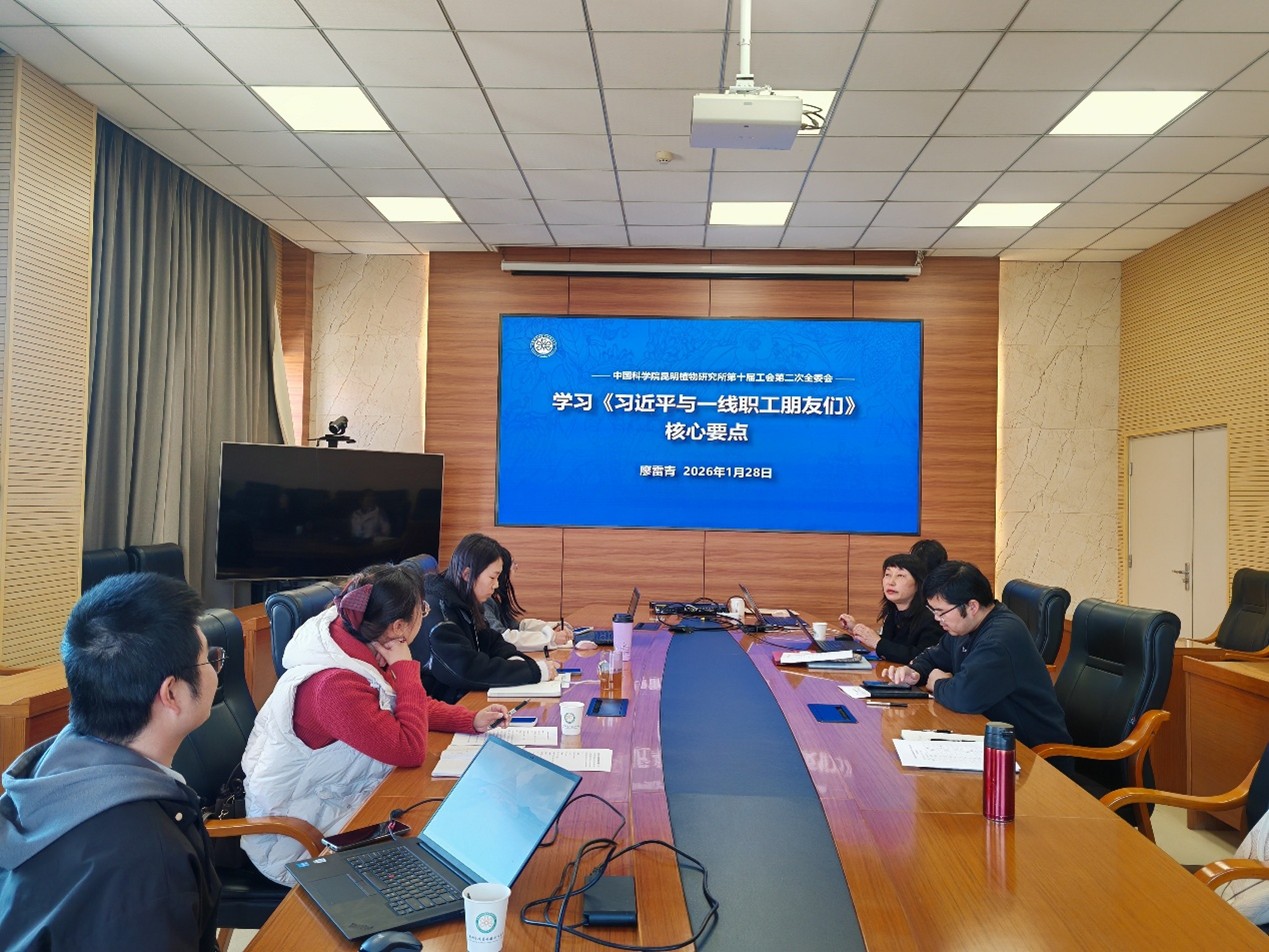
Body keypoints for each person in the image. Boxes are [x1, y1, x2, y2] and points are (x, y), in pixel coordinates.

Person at [242, 563, 510, 884]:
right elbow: (409, 749)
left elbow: (399, 704)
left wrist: (470, 719)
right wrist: (406, 669)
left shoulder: (354, 641)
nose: (424, 618)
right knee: (448, 840)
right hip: (298, 838)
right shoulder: (335, 685)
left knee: (450, 814)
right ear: (398, 627)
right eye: (422, 611)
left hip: (341, 802)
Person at [0, 573, 220, 952]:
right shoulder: (148, 858)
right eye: (210, 659)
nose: (215, 669)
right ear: (171, 693)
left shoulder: (52, 767)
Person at [879, 560, 1071, 750]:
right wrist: (914, 672)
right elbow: (933, 656)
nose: (937, 619)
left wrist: (937, 683)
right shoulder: (965, 626)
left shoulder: (999, 638)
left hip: (1031, 752)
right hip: (990, 735)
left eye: (941, 612)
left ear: (972, 606)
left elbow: (964, 696)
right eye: (933, 611)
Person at [412, 533, 560, 704]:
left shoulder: (464, 601)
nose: (496, 585)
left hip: (462, 698)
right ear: (467, 574)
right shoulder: (439, 613)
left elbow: (491, 640)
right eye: (492, 577)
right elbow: (468, 669)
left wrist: (516, 660)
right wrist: (533, 671)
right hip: (440, 707)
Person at [838, 553, 941, 663]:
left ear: (918, 583)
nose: (891, 582)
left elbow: (922, 658)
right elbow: (891, 644)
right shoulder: (893, 612)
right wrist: (857, 630)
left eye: (900, 576)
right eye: (888, 574)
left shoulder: (932, 617)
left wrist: (877, 642)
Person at [483, 542, 571, 652]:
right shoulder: (484, 601)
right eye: (513, 564)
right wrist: (551, 638)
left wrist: (551, 627)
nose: (516, 567)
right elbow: (504, 637)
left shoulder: (495, 598)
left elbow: (517, 627)